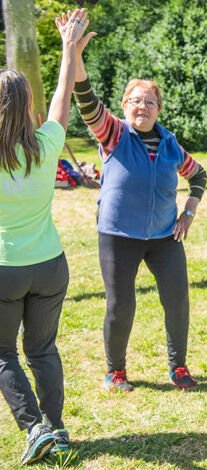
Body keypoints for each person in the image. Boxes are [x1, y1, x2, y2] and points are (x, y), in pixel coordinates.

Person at [73, 22, 207, 393]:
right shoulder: (113, 133)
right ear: (124, 106)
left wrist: (189, 211)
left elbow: (199, 175)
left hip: (165, 236)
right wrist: (76, 57)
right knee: (121, 306)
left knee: (177, 301)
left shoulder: (169, 144)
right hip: (118, 235)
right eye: (136, 100)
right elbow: (86, 101)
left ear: (159, 109)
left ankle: (178, 367)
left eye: (150, 102)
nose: (143, 107)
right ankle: (115, 372)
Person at [0, 10, 88, 465]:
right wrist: (69, 53)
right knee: (42, 349)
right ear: (25, 105)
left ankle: (35, 429)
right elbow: (61, 97)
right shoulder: (47, 143)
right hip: (50, 265)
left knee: (2, 354)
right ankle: (56, 430)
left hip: (5, 270)